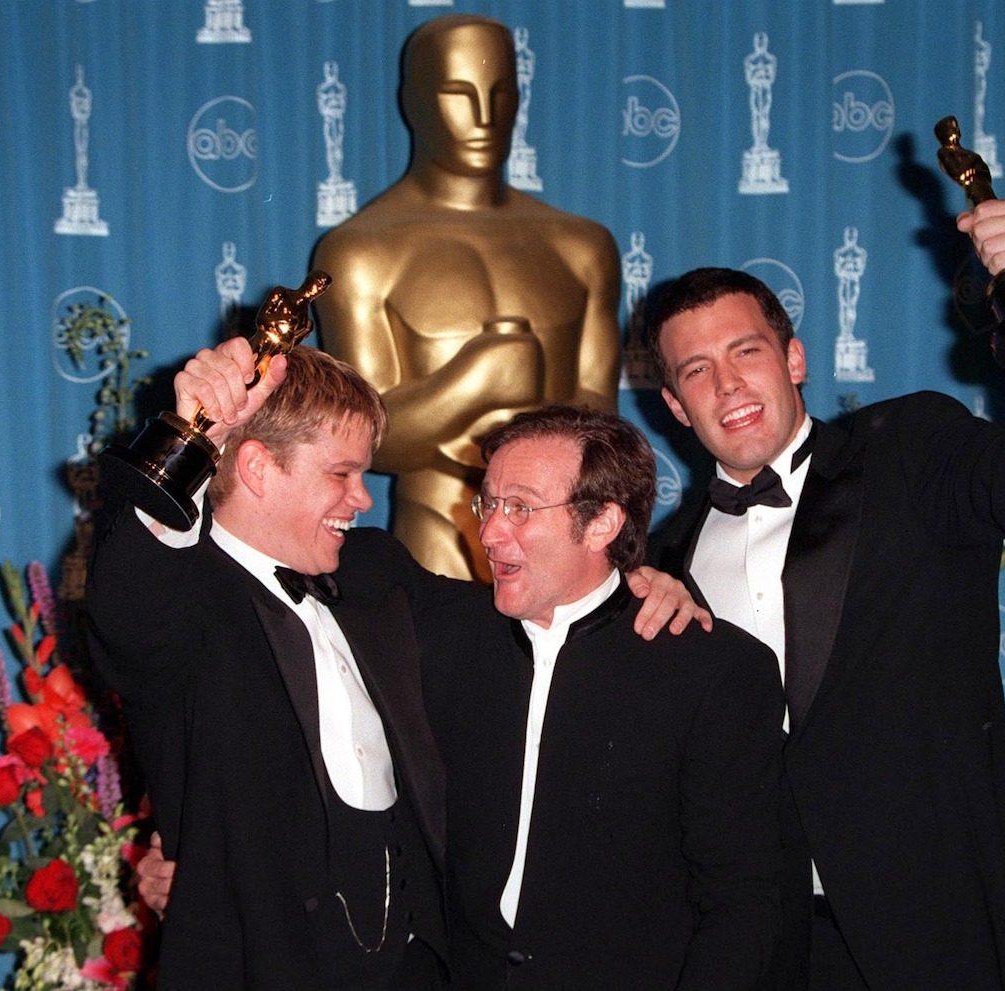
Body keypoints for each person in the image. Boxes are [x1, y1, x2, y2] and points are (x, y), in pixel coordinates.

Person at [90, 341, 705, 990]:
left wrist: (630, 579)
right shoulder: (180, 598)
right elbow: (129, 609)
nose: (362, 498)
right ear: (258, 468)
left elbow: (530, 610)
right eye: (342, 473)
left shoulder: (374, 570)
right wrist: (188, 437)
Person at [646, 196, 1005, 991]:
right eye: (696, 370)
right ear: (673, 405)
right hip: (762, 943)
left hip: (936, 925)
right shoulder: (665, 556)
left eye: (747, 351)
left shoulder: (909, 452)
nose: (727, 383)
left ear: (794, 358)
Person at [415, 405, 786, 989]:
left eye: (521, 508)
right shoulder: (446, 632)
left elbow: (745, 901)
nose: (488, 531)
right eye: (489, 502)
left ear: (602, 524)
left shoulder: (713, 671)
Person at [311, 14, 622, 582]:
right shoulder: (362, 251)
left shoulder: (581, 246)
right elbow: (364, 441)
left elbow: (602, 425)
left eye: (501, 94)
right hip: (436, 531)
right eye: (459, 94)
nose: (484, 117)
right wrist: (475, 381)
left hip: (563, 545)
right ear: (415, 101)